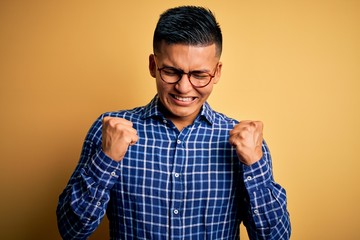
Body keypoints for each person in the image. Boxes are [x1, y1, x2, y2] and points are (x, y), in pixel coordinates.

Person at [57, 5, 291, 239]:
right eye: (171, 71)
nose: (183, 87)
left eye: (199, 75)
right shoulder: (110, 130)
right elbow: (71, 231)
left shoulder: (245, 143)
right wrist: (106, 160)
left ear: (217, 72)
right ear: (152, 66)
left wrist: (255, 165)